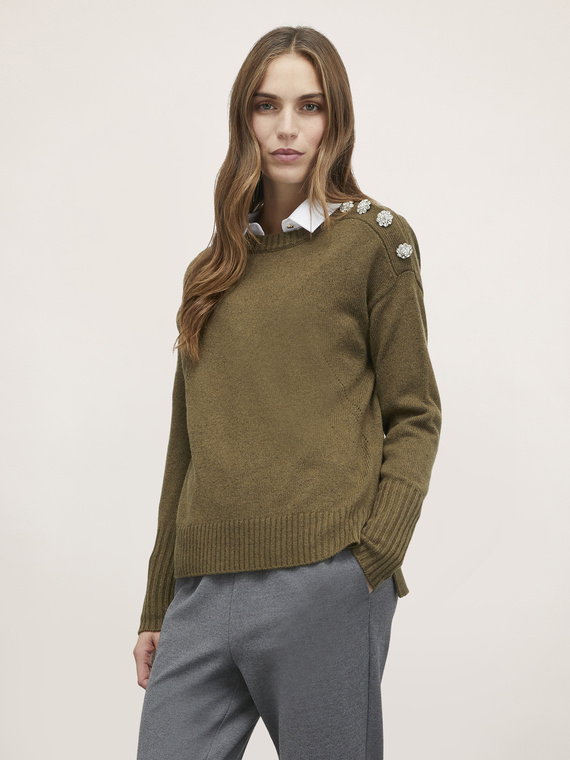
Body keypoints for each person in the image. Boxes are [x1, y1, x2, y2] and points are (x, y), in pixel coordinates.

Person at [133, 25, 442, 760]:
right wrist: (157, 602)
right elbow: (185, 448)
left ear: (337, 119)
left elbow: (415, 413)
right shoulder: (212, 269)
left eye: (311, 106)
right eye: (267, 105)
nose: (287, 128)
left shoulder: (376, 242)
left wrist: (368, 561)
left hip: (324, 581)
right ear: (244, 117)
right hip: (202, 593)